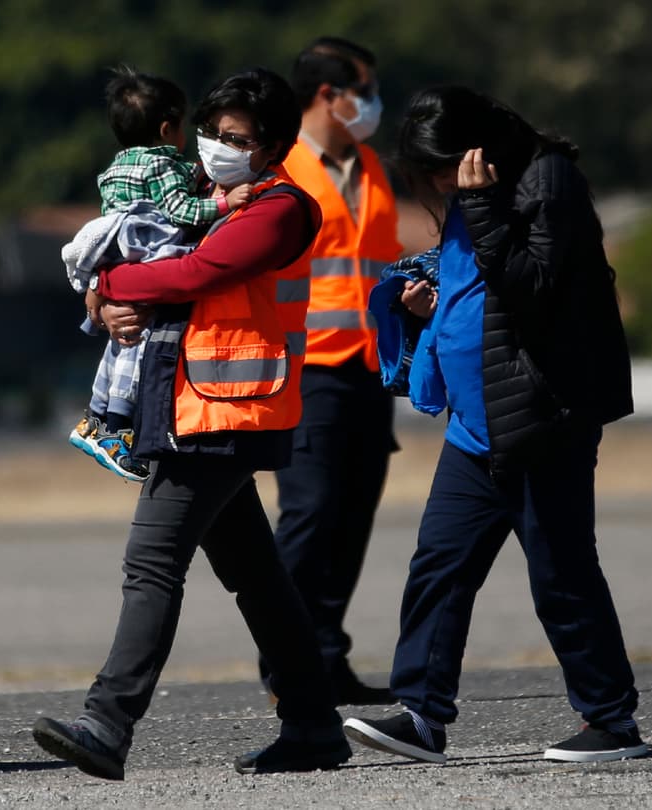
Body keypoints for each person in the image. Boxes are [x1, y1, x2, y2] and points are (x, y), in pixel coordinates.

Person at [32, 68, 352, 780]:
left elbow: (195, 274)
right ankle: (313, 726)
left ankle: (107, 724)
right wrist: (103, 302)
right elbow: (154, 269)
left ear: (272, 147)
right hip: (193, 404)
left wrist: (108, 285)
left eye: (235, 139)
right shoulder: (210, 199)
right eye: (211, 133)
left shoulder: (280, 209)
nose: (215, 148)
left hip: (224, 412)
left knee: (152, 564)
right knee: (259, 580)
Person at [343, 85, 648, 764]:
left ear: (478, 145)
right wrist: (425, 306)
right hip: (475, 425)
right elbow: (476, 288)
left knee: (561, 571)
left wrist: (477, 205)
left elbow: (532, 284)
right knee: (440, 567)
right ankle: (421, 715)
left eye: (445, 167)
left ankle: (611, 722)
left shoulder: (548, 180)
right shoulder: (471, 198)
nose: (441, 183)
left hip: (541, 417)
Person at [262, 36, 402, 706]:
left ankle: (326, 656)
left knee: (351, 519)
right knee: (310, 513)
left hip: (372, 369)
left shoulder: (372, 164)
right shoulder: (280, 168)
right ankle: (285, 659)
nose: (371, 104)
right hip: (307, 367)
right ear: (327, 95)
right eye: (363, 90)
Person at [65, 66, 250, 482]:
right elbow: (180, 210)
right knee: (136, 345)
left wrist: (103, 283)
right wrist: (226, 203)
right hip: (153, 259)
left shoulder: (114, 168)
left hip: (123, 259)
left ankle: (95, 419)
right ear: (168, 129)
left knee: (119, 346)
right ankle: (116, 430)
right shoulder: (162, 165)